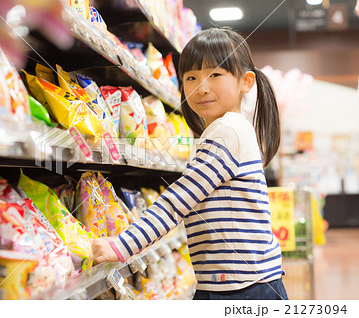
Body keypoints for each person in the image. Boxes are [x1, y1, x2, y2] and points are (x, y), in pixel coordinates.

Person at [91, 28, 288, 300]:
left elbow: (178, 201)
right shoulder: (228, 129)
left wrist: (122, 245)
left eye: (215, 75)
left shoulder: (227, 131)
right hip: (240, 282)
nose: (201, 87)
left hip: (242, 289)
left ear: (246, 81)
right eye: (191, 77)